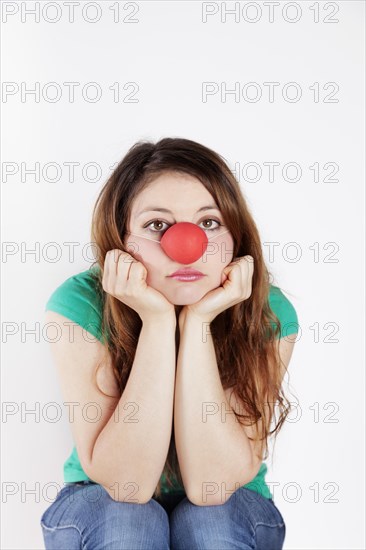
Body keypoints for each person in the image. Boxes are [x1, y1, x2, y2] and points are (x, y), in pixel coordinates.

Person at [40, 137, 299, 549]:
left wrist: (198, 322)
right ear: (121, 240)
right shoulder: (79, 304)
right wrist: (158, 320)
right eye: (157, 225)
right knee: (128, 521)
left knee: (210, 524)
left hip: (233, 503)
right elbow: (128, 486)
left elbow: (212, 489)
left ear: (235, 237)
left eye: (209, 223)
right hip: (100, 502)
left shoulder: (267, 311)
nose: (186, 247)